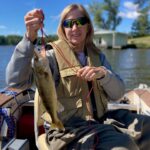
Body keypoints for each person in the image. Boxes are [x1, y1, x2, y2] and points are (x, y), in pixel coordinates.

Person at [6, 4, 150, 150]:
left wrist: (104, 75)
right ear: (63, 29)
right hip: (68, 129)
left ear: (88, 26)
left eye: (80, 21)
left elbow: (118, 94)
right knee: (122, 146)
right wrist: (29, 38)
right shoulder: (50, 57)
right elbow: (16, 82)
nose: (75, 28)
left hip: (103, 119)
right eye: (68, 23)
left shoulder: (98, 56)